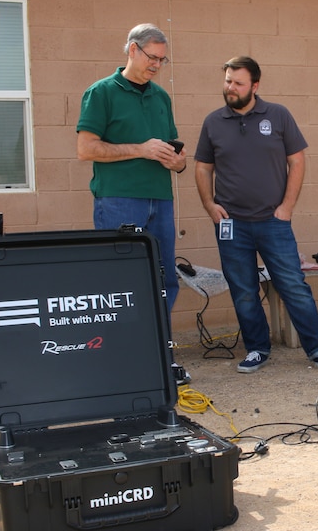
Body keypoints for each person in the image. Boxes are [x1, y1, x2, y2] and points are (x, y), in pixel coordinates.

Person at [194, 56, 318, 374]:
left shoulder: (278, 115)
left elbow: (297, 161)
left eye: (238, 82)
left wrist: (286, 208)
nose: (231, 87)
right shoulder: (213, 122)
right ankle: (256, 349)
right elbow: (202, 167)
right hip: (231, 225)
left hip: (272, 222)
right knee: (244, 290)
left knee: (293, 284)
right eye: (227, 81)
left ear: (255, 85)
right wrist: (210, 206)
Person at [77, 23, 190, 384]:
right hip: (118, 201)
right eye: (152, 57)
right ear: (132, 50)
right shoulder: (101, 92)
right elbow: (86, 148)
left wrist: (179, 162)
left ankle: (159, 356)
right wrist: (139, 149)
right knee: (120, 283)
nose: (157, 65)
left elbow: (176, 151)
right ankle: (120, 360)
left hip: (160, 200)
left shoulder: (160, 97)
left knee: (164, 280)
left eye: (163, 59)